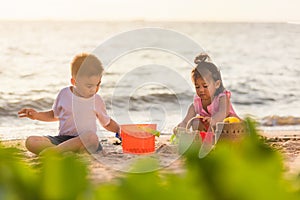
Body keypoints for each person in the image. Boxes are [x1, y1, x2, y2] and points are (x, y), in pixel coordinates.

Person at [18, 53, 120, 155]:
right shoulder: (64, 94)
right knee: (31, 141)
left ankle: (56, 152)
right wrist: (37, 115)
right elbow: (54, 115)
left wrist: (120, 130)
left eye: (97, 84)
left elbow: (107, 122)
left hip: (85, 141)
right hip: (63, 140)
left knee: (91, 137)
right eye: (89, 85)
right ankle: (63, 151)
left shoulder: (96, 100)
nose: (94, 89)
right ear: (74, 82)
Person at [174, 53, 239, 133]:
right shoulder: (197, 104)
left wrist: (214, 120)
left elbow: (223, 112)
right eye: (197, 87)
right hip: (211, 131)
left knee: (224, 123)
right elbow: (186, 121)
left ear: (217, 84)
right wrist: (181, 128)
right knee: (195, 122)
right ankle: (204, 140)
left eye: (205, 86)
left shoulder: (222, 98)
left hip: (232, 129)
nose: (201, 90)